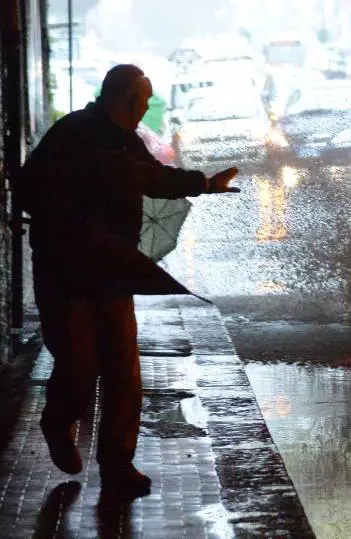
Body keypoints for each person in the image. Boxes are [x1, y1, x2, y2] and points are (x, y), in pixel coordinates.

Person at [16, 64, 240, 498]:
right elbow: (28, 187)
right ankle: (57, 419)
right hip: (65, 274)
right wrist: (64, 225)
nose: (143, 109)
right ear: (126, 99)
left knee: (123, 368)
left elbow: (154, 178)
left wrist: (205, 184)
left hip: (112, 270)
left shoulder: (127, 142)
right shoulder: (73, 133)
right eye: (141, 101)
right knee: (79, 364)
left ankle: (118, 465)